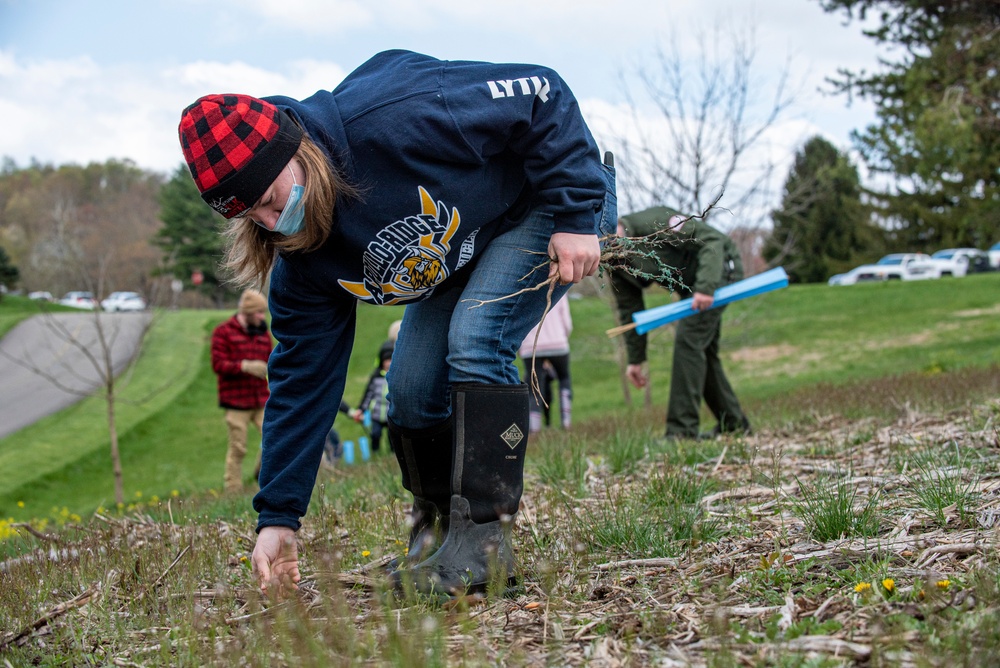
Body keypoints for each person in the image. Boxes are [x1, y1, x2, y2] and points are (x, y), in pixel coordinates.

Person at [178, 49, 616, 598]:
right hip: (468, 248)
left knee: (477, 337)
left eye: (270, 200)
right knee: (407, 393)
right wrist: (278, 518)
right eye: (252, 217)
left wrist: (577, 211)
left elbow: (540, 92)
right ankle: (437, 538)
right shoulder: (301, 263)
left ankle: (483, 549)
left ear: (295, 151)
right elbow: (300, 383)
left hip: (549, 203)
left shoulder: (400, 113)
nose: (271, 222)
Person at [610, 206, 750, 441]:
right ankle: (734, 424)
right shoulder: (613, 259)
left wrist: (706, 287)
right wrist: (635, 359)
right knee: (702, 351)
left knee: (689, 343)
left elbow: (712, 241)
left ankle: (681, 432)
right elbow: (629, 309)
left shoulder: (656, 223)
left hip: (720, 271)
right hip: (693, 290)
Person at [210, 289, 273, 493]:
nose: (263, 317)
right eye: (259, 313)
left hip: (261, 398)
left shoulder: (264, 334)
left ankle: (260, 473)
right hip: (236, 402)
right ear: (247, 312)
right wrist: (244, 366)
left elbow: (272, 359)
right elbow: (218, 364)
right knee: (238, 448)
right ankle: (233, 491)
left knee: (274, 437)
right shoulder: (223, 332)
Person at [518, 294, 573, 433]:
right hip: (557, 343)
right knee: (564, 379)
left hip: (531, 348)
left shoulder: (523, 290)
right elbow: (566, 321)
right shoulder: (560, 288)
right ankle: (566, 422)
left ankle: (535, 428)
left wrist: (520, 347)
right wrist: (562, 337)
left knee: (534, 388)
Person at [354, 345, 392, 452]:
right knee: (375, 434)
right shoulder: (375, 377)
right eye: (386, 360)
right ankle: (375, 452)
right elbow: (368, 395)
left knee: (392, 437)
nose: (388, 363)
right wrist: (361, 409)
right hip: (376, 414)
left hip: (390, 414)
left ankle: (393, 455)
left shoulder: (395, 377)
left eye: (391, 360)